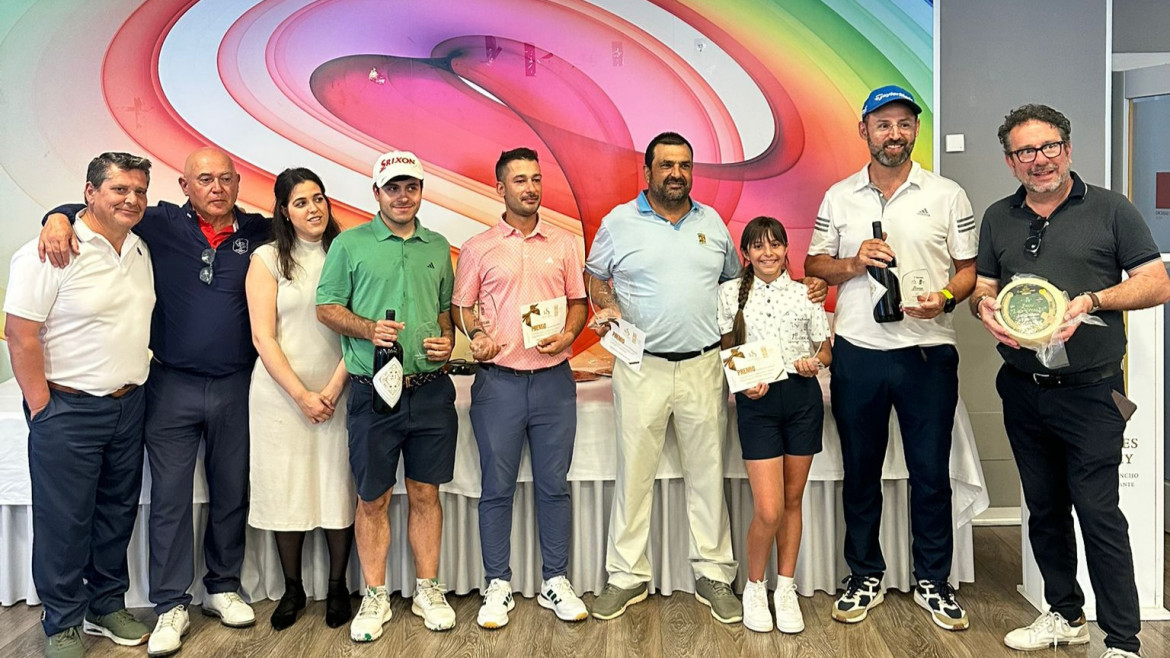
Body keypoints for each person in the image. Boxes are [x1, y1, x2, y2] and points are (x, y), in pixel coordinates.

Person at [584, 132, 826, 623]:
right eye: (667, 164)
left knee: (707, 473)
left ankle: (714, 574)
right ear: (647, 172)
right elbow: (594, 273)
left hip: (703, 365)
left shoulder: (712, 223)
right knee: (634, 475)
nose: (677, 173)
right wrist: (606, 304)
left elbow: (742, 292)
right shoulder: (619, 221)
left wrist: (808, 287)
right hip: (640, 365)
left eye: (685, 165)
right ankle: (626, 577)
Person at [40, 147, 268, 655]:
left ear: (238, 183)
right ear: (184, 186)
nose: (216, 187)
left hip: (235, 384)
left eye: (226, 178)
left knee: (232, 490)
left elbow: (314, 235)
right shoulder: (157, 221)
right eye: (204, 178)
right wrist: (54, 218)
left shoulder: (258, 231)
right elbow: (93, 206)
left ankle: (223, 587)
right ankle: (170, 603)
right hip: (169, 384)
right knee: (169, 497)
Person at [971, 104, 1170, 658]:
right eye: (1025, 152)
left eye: (1049, 146)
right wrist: (985, 309)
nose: (1040, 160)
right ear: (1011, 162)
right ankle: (1064, 614)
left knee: (1098, 511)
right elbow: (985, 285)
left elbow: (1157, 283)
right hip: (1023, 387)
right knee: (1044, 507)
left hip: (1091, 391)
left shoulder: (1111, 209)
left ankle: (1124, 641)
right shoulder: (998, 216)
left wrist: (1092, 300)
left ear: (1069, 148)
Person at [805, 85, 976, 631]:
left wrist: (945, 299)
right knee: (861, 472)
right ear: (865, 131)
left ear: (915, 132)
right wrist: (853, 263)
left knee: (930, 473)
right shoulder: (839, 196)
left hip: (928, 354)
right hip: (859, 353)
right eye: (883, 124)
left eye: (904, 124)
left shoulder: (948, 193)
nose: (894, 134)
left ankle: (934, 579)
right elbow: (813, 263)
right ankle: (865, 575)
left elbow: (969, 271)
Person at [6, 152, 156, 658]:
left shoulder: (139, 248)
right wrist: (42, 408)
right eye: (119, 190)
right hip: (67, 409)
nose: (131, 199)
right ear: (89, 193)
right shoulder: (50, 249)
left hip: (128, 404)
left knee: (116, 513)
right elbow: (20, 334)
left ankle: (105, 605)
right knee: (64, 520)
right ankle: (63, 620)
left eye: (139, 190)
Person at [316, 150, 458, 642]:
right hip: (372, 391)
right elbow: (327, 307)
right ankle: (375, 596)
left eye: (411, 187)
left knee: (425, 493)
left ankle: (427, 589)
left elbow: (444, 311)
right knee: (372, 498)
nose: (403, 196)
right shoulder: (351, 245)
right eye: (393, 187)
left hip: (430, 390)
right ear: (376, 193)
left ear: (422, 192)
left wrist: (447, 339)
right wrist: (368, 328)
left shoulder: (438, 246)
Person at [452, 148, 589, 629]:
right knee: (497, 489)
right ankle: (498, 584)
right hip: (499, 384)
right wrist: (477, 336)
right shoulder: (478, 247)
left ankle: (556, 579)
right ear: (500, 189)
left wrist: (571, 334)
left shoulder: (567, 243)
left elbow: (578, 302)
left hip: (554, 382)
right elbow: (461, 308)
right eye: (519, 180)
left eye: (536, 179)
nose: (530, 188)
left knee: (555, 487)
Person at [245, 168, 355, 631]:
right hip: (279, 396)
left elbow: (359, 330)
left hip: (340, 389)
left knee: (337, 488)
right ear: (284, 212)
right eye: (301, 202)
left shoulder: (347, 253)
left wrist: (328, 391)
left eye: (319, 198)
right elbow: (262, 336)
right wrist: (302, 395)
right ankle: (292, 588)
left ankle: (336, 586)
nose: (313, 209)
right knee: (284, 489)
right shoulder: (267, 258)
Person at [717, 216, 831, 634]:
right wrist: (743, 384)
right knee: (769, 508)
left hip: (802, 400)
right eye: (759, 247)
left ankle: (785, 588)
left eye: (776, 245)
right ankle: (754, 585)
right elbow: (727, 350)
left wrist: (814, 362)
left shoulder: (806, 293)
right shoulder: (730, 295)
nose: (768, 254)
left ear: (787, 249)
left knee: (793, 500)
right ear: (745, 254)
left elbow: (826, 351)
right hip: (757, 405)